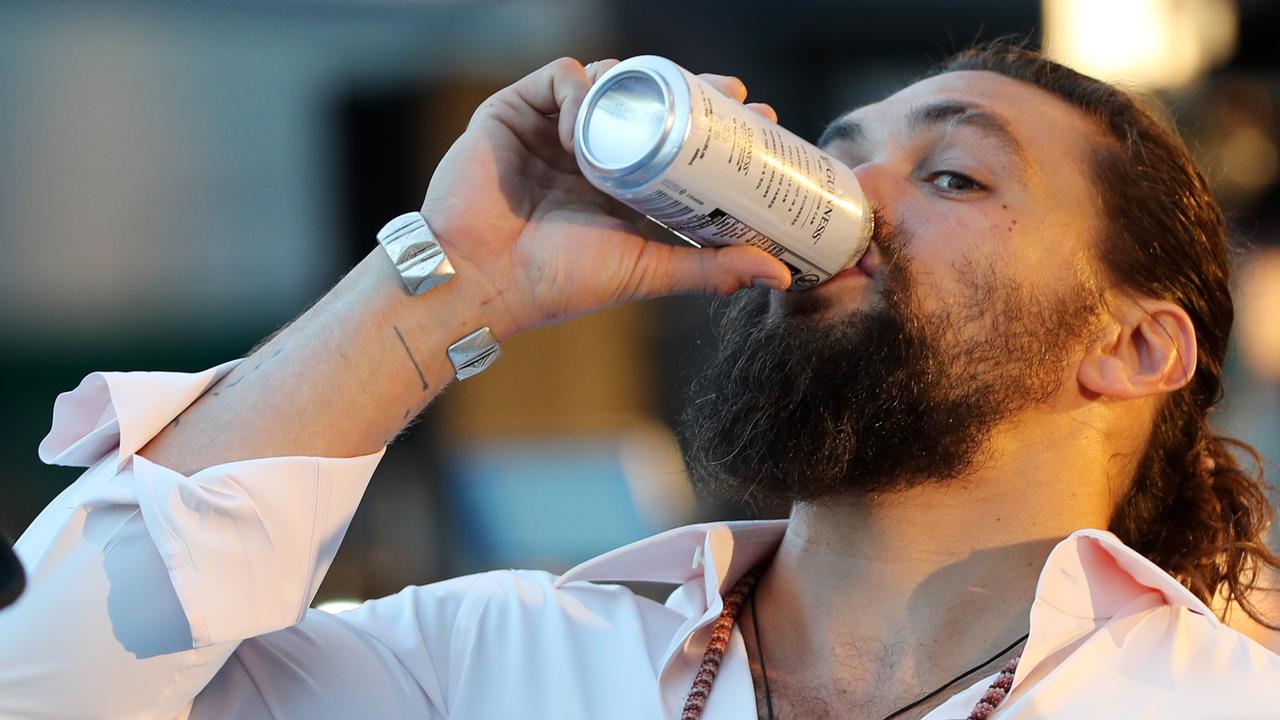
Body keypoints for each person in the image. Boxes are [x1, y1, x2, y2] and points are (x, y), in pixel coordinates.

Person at [1, 41, 1278, 719]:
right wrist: (452, 280)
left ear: (1130, 348)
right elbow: (46, 689)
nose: (847, 204)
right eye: (828, 160)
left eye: (951, 177)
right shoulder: (488, 660)